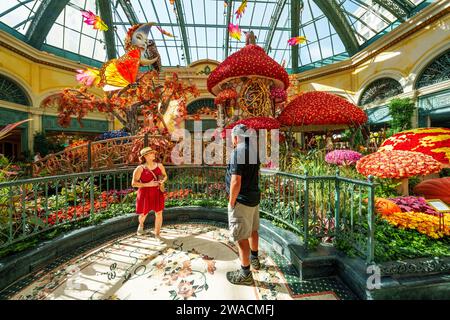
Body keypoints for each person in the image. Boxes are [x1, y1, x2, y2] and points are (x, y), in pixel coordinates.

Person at [225, 124, 261, 286]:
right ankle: (255, 258)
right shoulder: (253, 151)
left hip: (242, 200)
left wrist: (232, 201)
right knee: (253, 230)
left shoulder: (238, 152)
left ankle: (245, 273)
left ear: (235, 137)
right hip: (253, 198)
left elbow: (236, 180)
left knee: (240, 237)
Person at [132, 147, 167, 241]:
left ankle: (157, 234)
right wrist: (147, 184)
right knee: (143, 214)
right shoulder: (140, 168)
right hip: (144, 194)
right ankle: (141, 224)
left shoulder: (159, 165)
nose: (154, 154)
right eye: (151, 153)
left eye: (153, 153)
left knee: (159, 213)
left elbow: (165, 175)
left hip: (157, 192)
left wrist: (162, 181)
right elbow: (134, 183)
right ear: (146, 156)